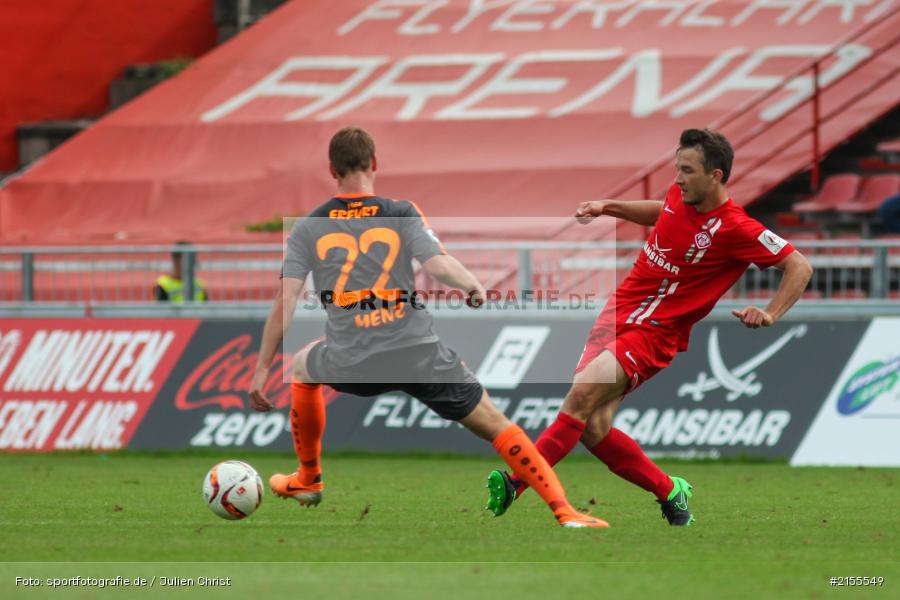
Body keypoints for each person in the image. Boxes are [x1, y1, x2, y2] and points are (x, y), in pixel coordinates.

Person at [248, 126, 606, 528]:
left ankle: (309, 478)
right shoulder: (401, 212)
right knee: (496, 425)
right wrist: (471, 285)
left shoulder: (307, 228)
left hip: (352, 358)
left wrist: (263, 369)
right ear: (374, 163)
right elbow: (436, 264)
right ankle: (564, 511)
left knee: (303, 365)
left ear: (332, 170)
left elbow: (286, 301)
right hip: (415, 351)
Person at [485, 128, 813, 526]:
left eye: (688, 171)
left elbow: (799, 266)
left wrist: (771, 313)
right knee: (593, 427)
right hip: (617, 314)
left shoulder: (736, 228)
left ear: (716, 176)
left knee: (580, 397)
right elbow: (663, 211)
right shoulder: (680, 197)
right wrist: (608, 207)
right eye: (678, 169)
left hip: (655, 331)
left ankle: (517, 482)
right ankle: (670, 490)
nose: (678, 179)